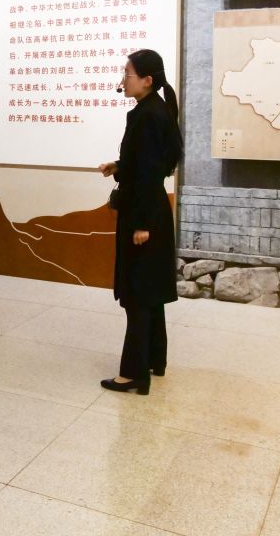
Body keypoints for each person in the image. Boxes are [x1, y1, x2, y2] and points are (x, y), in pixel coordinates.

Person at [98, 49, 182, 396]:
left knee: (137, 294)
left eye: (128, 74)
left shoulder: (147, 116)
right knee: (150, 292)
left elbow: (149, 172)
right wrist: (119, 166)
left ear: (147, 80)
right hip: (151, 208)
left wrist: (142, 224)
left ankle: (133, 373)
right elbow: (149, 162)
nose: (123, 80)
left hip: (144, 213)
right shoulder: (154, 110)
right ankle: (154, 360)